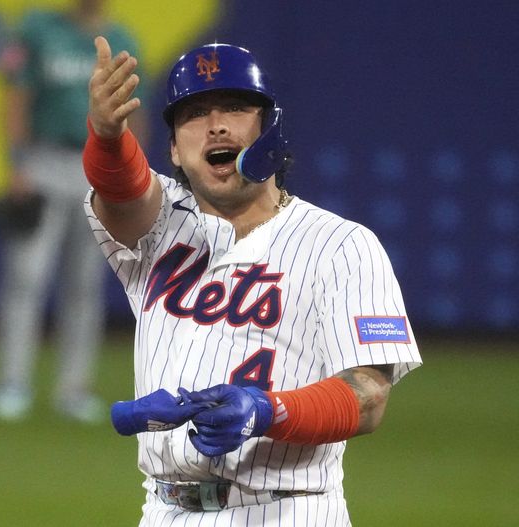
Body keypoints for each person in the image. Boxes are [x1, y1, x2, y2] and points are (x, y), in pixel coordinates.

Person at [83, 36, 422, 525]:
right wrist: (106, 133)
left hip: (288, 510)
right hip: (164, 511)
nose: (216, 124)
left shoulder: (343, 245)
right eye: (194, 114)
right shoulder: (161, 229)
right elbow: (121, 188)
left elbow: (368, 396)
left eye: (236, 107)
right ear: (175, 150)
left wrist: (265, 410)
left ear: (269, 128)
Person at [0, 1, 146, 423]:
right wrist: (17, 162)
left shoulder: (123, 39)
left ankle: (73, 388)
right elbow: (17, 96)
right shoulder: (38, 29)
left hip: (98, 168)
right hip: (44, 161)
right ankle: (12, 383)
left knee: (85, 284)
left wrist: (130, 174)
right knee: (27, 275)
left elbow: (134, 111)